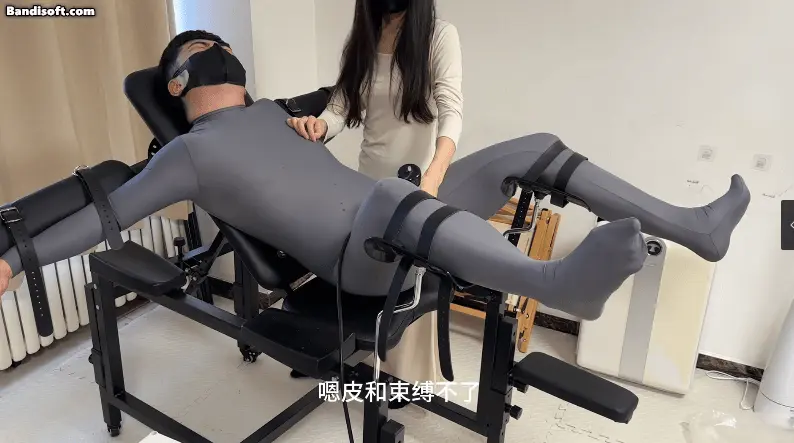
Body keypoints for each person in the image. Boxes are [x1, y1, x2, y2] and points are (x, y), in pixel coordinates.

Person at [0, 31, 750, 409]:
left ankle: (692, 227)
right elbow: (104, 216)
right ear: (177, 80)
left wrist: (321, 119)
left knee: (531, 147)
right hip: (354, 260)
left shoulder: (273, 113)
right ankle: (560, 284)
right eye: (207, 47)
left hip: (396, 222)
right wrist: (12, 260)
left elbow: (344, 97)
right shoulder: (185, 153)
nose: (222, 51)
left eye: (224, 46)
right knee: (392, 194)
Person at [286, 0, 462, 197]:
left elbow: (451, 112)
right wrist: (319, 125)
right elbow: (338, 110)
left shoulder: (440, 36)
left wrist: (433, 177)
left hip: (418, 186)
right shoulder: (365, 38)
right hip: (369, 185)